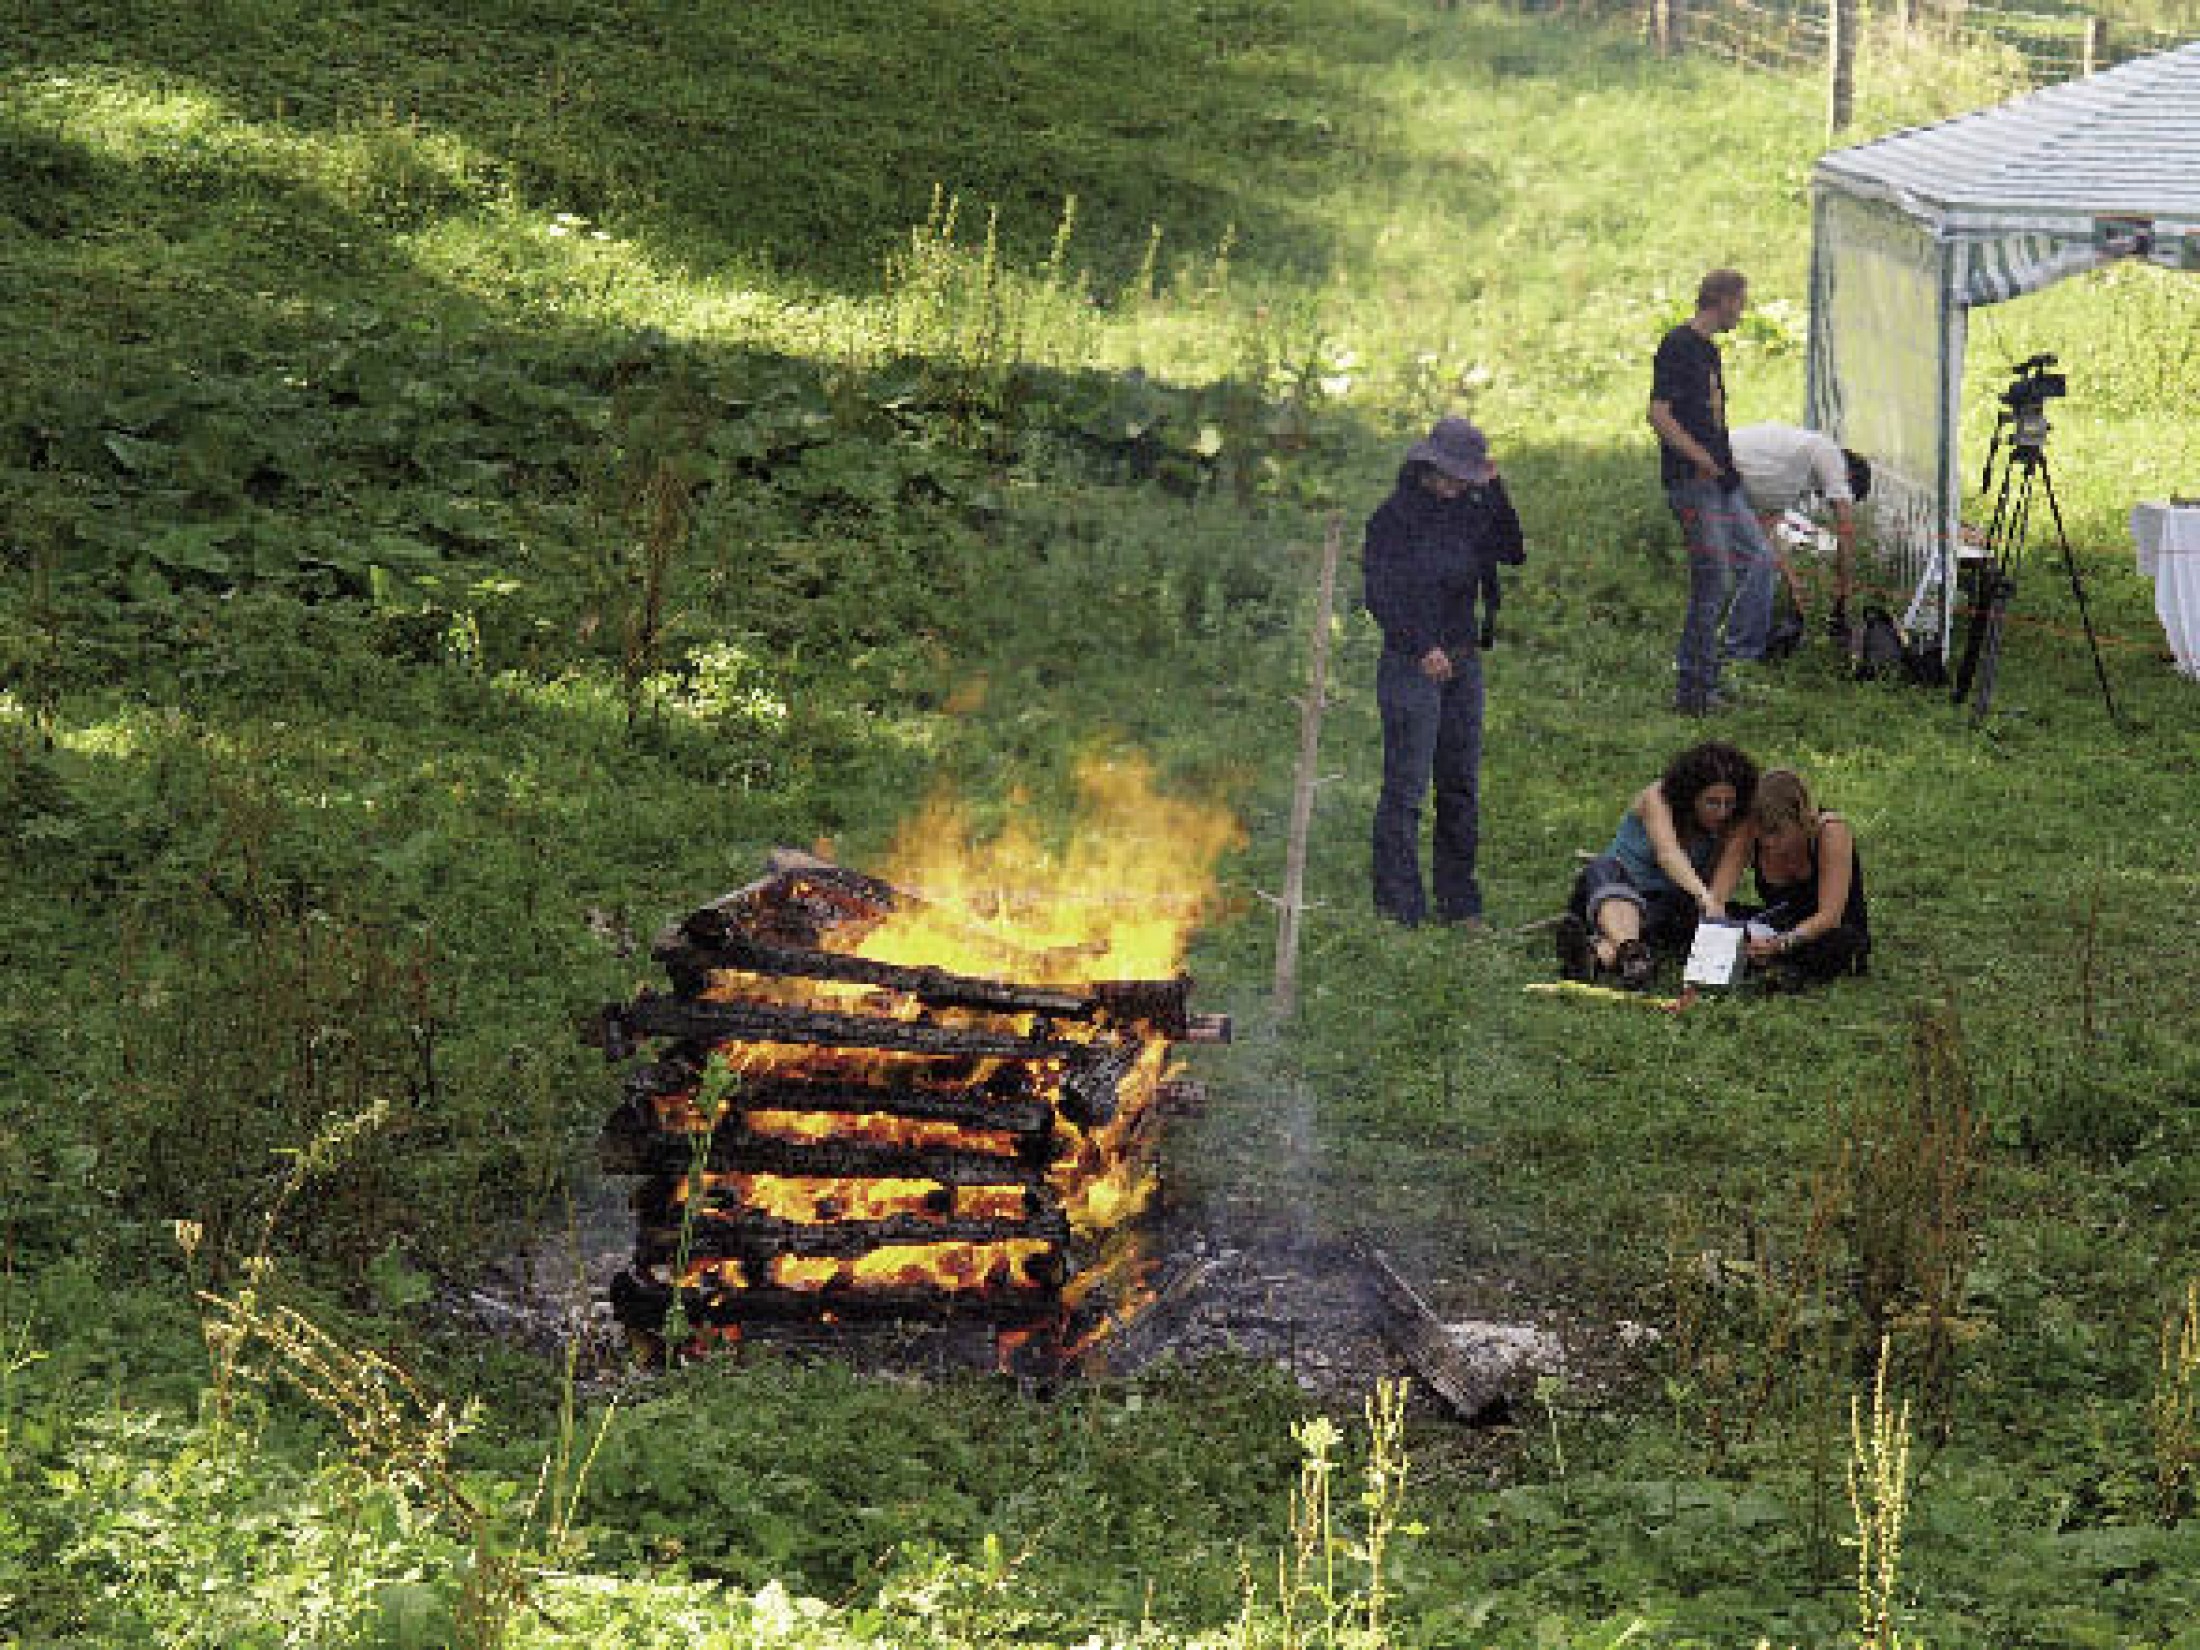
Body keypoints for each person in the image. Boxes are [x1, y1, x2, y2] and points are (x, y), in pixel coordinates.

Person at [1364, 417, 1525, 928]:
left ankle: (1460, 903)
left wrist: (1495, 488)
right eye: (1450, 475)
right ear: (1427, 467)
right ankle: (1399, 906)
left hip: (1462, 660)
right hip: (1411, 662)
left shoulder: (1473, 510)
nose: (1455, 485)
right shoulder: (1392, 518)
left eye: (1465, 477)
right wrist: (1419, 646)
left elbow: (1512, 550)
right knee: (1407, 787)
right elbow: (1381, 592)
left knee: (1459, 784)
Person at [1649, 270, 1778, 715]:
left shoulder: (1708, 351)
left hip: (1722, 480)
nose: (1741, 312)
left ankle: (1730, 661)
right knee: (1713, 582)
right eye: (1739, 303)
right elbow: (1660, 415)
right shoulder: (1678, 346)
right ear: (1720, 300)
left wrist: (1723, 461)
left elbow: (1713, 416)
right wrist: (1699, 458)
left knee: (1760, 560)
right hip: (1693, 483)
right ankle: (1693, 691)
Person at [1556, 740, 1759, 989]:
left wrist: (1711, 906)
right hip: (1612, 893)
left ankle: (1604, 956)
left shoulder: (1740, 821)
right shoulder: (1657, 797)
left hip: (1669, 905)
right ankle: (1632, 955)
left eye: (1729, 803)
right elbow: (1668, 854)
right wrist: (1702, 895)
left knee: (1676, 912)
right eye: (1712, 802)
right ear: (1690, 796)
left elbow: (1719, 893)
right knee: (1603, 868)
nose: (1722, 812)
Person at [1709, 767, 1870, 988]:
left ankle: (1772, 966)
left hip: (1823, 932)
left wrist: (1781, 944)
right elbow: (1716, 899)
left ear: (1800, 818)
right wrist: (1721, 926)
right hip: (1777, 925)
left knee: (1840, 942)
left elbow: (1830, 916)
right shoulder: (1751, 831)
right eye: (1761, 832)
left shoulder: (1830, 832)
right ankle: (1757, 961)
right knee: (1693, 909)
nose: (1767, 842)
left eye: (1776, 831)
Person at [1730, 423, 1873, 645]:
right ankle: (1741, 650)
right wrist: (1844, 593)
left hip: (1718, 469)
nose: (1830, 500)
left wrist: (1793, 583)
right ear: (1847, 476)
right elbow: (1846, 531)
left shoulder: (1792, 478)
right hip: (1712, 465)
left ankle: (1745, 642)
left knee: (1758, 564)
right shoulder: (1830, 455)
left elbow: (1766, 533)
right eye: (1846, 493)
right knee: (1758, 567)